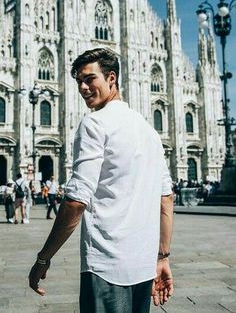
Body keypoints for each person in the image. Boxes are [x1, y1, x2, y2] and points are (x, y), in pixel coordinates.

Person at [29, 48, 174, 312]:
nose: (83, 87)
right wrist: (162, 257)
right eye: (79, 82)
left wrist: (43, 259)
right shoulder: (149, 131)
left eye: (89, 79)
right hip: (143, 267)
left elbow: (75, 202)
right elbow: (166, 198)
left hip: (106, 267)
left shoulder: (95, 124)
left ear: (111, 78)